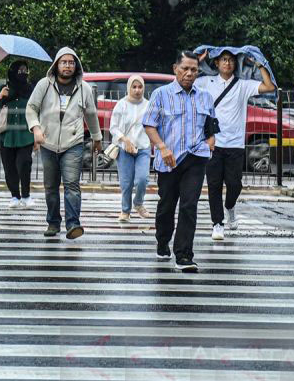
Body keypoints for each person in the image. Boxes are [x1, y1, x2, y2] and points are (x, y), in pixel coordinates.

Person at [142, 51, 215, 272]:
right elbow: (149, 124)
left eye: (194, 70)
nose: (189, 73)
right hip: (169, 159)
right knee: (167, 205)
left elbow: (212, 126)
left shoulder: (205, 97)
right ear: (175, 69)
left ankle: (184, 255)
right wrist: (162, 147)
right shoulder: (161, 94)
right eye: (185, 69)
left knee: (189, 205)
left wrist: (210, 141)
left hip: (196, 158)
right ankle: (163, 240)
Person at [196, 50, 276, 241]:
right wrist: (197, 62)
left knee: (235, 185)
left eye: (231, 60)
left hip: (235, 144)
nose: (228, 63)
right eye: (224, 60)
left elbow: (269, 86)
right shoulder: (206, 82)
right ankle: (217, 224)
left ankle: (230, 207)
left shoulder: (242, 85)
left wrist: (259, 65)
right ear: (216, 63)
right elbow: (185, 79)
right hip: (213, 143)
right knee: (214, 185)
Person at [26, 47, 102, 239]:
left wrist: (97, 138)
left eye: (71, 62)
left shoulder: (84, 88)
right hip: (48, 142)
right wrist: (36, 128)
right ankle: (53, 223)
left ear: (76, 66)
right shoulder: (44, 85)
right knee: (51, 186)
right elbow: (31, 108)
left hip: (73, 143)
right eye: (63, 62)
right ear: (56, 65)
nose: (67, 66)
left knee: (71, 185)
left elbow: (91, 114)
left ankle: (73, 224)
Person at [0, 60, 35, 209]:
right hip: (7, 135)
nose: (22, 73)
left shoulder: (30, 89)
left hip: (26, 134)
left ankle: (26, 195)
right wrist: (0, 97)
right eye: (19, 71)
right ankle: (15, 196)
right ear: (12, 72)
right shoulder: (4, 88)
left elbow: (37, 109)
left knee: (24, 164)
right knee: (9, 167)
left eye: (25, 70)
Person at [109, 74, 152, 222]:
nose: (137, 90)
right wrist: (124, 139)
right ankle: (125, 210)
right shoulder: (121, 104)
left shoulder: (148, 105)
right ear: (129, 88)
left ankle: (138, 203)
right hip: (124, 149)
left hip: (143, 147)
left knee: (142, 179)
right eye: (134, 87)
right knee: (126, 182)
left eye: (140, 87)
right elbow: (113, 127)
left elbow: (154, 125)